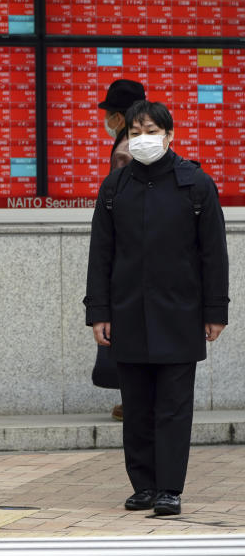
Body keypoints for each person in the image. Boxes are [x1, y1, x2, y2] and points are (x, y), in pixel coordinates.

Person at [84, 100, 228, 516]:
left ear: (169, 135)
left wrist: (215, 310)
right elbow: (101, 254)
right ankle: (143, 485)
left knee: (173, 405)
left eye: (150, 130)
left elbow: (213, 255)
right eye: (134, 131)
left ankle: (169, 488)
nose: (141, 139)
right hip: (128, 312)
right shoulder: (116, 187)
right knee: (137, 404)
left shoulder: (196, 184)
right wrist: (99, 311)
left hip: (180, 313)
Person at [94, 78, 146, 421]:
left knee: (126, 330)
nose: (107, 120)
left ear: (120, 116)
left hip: (128, 255)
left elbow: (119, 206)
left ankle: (135, 403)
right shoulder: (140, 143)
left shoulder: (125, 150)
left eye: (110, 113)